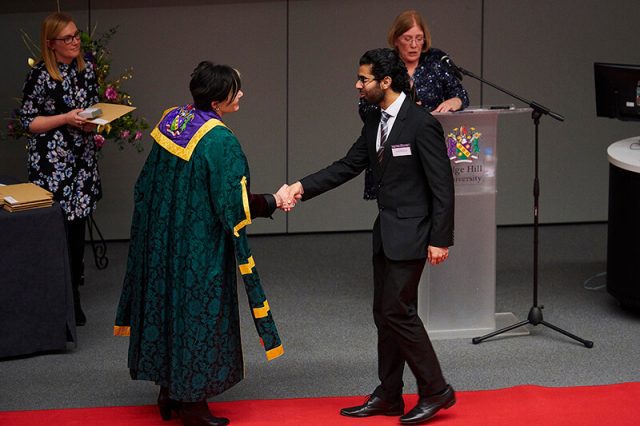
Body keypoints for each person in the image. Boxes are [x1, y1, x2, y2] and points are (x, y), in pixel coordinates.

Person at [284, 48, 456, 425]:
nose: (358, 85)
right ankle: (390, 394)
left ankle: (436, 389)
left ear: (386, 82)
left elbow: (443, 186)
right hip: (386, 230)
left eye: (363, 79)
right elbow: (347, 166)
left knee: (399, 311)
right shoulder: (374, 121)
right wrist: (299, 187)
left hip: (413, 232)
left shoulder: (421, 123)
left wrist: (440, 238)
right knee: (385, 314)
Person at [114, 61, 286, 426]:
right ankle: (192, 405)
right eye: (235, 90)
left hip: (166, 241)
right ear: (219, 100)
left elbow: (148, 185)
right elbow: (232, 205)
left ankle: (168, 392)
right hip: (199, 246)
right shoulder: (219, 140)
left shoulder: (173, 120)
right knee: (198, 318)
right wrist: (273, 201)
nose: (241, 94)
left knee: (168, 311)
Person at [19, 12, 100, 326]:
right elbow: (28, 122)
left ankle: (73, 295)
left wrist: (95, 123)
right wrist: (65, 118)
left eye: (77, 35)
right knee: (58, 235)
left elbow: (92, 109)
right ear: (51, 44)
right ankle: (65, 303)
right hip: (52, 166)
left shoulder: (86, 70)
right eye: (68, 38)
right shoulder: (41, 75)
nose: (75, 41)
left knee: (77, 233)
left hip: (81, 163)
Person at [361, 9, 469, 200]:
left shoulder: (435, 63)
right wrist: (400, 108)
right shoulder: (385, 64)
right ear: (395, 39)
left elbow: (461, 94)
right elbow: (365, 108)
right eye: (407, 38)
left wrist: (455, 101)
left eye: (419, 38)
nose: (414, 45)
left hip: (428, 148)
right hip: (393, 148)